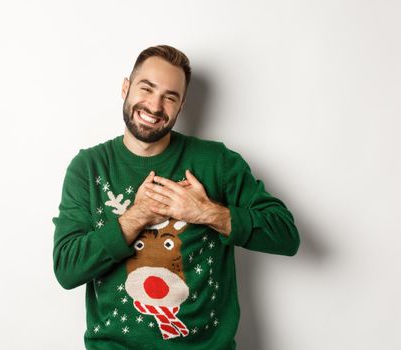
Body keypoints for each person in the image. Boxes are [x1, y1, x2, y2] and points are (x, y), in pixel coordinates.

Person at [52, 45, 300, 349]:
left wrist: (208, 213)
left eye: (169, 97)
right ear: (125, 88)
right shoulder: (88, 167)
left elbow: (286, 236)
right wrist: (138, 215)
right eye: (147, 88)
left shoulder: (217, 162)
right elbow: (67, 269)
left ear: (181, 105)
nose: (155, 106)